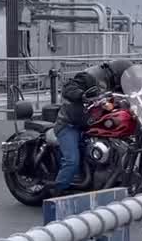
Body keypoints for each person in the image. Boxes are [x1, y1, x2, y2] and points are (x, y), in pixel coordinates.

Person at [52, 59, 135, 195]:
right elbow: (68, 89)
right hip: (70, 124)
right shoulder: (89, 76)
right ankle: (57, 193)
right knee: (71, 161)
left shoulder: (116, 83)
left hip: (92, 123)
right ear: (117, 74)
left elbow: (126, 96)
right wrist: (82, 95)